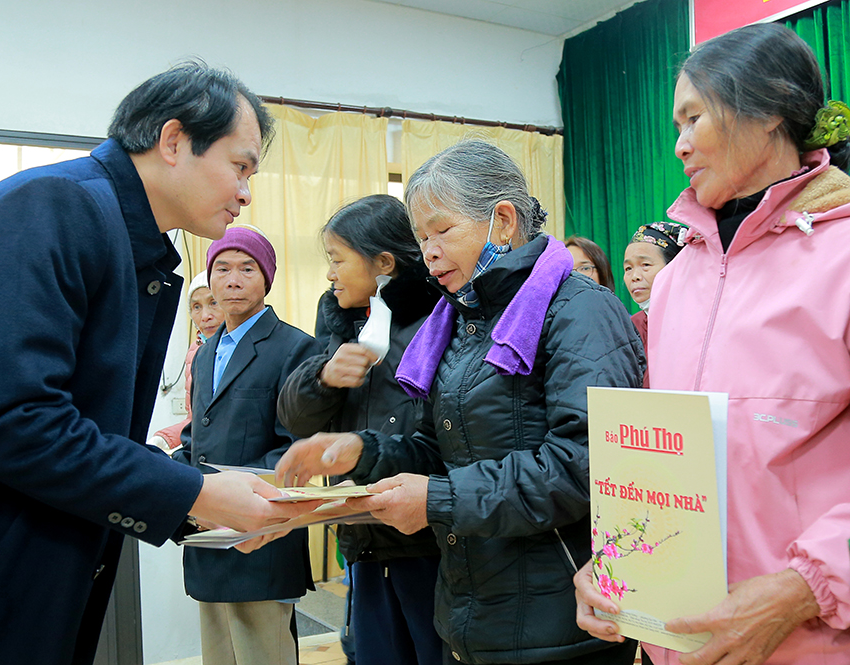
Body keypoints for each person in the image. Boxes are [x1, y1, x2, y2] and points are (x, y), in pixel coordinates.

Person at [0, 63, 321, 665]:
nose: (246, 192)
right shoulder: (51, 208)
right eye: (240, 166)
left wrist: (205, 503)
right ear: (173, 141)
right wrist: (196, 493)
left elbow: (85, 431)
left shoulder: (125, 244)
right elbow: (15, 422)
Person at [277, 139, 646, 664]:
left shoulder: (579, 311)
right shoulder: (462, 322)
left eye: (442, 231)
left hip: (560, 622)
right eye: (421, 237)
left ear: (502, 220)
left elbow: (584, 466)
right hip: (471, 614)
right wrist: (363, 451)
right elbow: (441, 451)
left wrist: (436, 501)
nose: (427, 253)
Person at [574, 23, 850, 665]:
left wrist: (799, 590)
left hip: (807, 641)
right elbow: (661, 461)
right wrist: (615, 558)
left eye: (693, 118)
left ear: (773, 109)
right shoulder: (675, 282)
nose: (678, 145)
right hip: (680, 640)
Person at [277, 194, 443, 665]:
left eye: (337, 260)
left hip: (424, 540)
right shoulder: (343, 322)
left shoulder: (436, 324)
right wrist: (324, 377)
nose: (330, 274)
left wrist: (360, 451)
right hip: (362, 538)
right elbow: (294, 416)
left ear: (384, 262)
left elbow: (434, 443)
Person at [173, 227, 321, 665]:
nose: (232, 280)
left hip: (260, 538)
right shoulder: (204, 353)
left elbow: (295, 450)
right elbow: (195, 439)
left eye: (246, 269)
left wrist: (222, 494)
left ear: (266, 278)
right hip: (207, 536)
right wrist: (180, 482)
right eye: (222, 268)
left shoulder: (296, 348)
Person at [149, 272, 224, 452]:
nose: (205, 316)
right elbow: (195, 421)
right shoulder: (195, 351)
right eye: (196, 307)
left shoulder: (249, 348)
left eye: (213, 302)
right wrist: (164, 438)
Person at [621, 222, 686, 387]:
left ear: (675, 267)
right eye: (628, 268)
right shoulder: (631, 327)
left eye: (645, 265)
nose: (634, 276)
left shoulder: (697, 322)